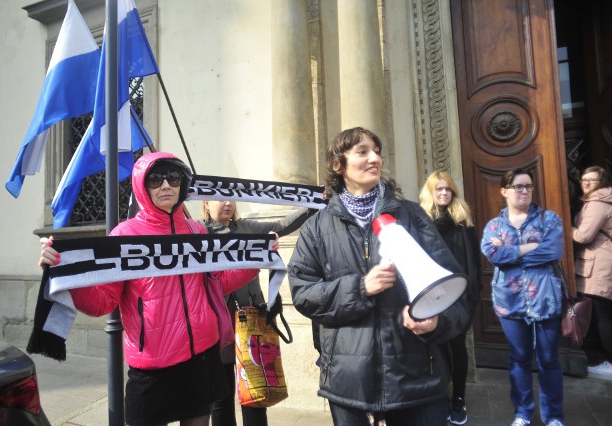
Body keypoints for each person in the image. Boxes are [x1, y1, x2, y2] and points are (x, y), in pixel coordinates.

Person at [38, 152, 260, 426]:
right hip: (152, 367)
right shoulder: (125, 234)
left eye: (173, 177)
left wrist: (258, 259)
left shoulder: (195, 232)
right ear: (142, 186)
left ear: (182, 185)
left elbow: (218, 284)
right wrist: (67, 273)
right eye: (155, 179)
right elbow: (103, 302)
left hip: (200, 358)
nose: (165, 185)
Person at [287, 127, 469, 426]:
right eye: (362, 152)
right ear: (338, 165)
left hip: (417, 380)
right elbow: (303, 294)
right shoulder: (317, 227)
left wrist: (438, 321)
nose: (375, 159)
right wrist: (360, 288)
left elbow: (453, 288)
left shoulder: (411, 216)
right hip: (349, 382)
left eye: (377, 152)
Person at [202, 200, 314, 426]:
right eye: (220, 199)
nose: (227, 204)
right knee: (220, 398)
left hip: (252, 320)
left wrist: (312, 203)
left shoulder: (247, 228)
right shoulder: (197, 231)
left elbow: (282, 224)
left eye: (231, 199)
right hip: (217, 324)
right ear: (206, 202)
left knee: (256, 392)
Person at [480, 168, 565, 426]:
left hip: (545, 299)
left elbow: (553, 251)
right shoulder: (494, 225)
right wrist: (527, 247)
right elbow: (492, 255)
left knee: (549, 359)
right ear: (504, 191)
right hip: (509, 300)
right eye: (518, 186)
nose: (525, 191)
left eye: (528, 186)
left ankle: (554, 417)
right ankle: (523, 413)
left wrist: (510, 252)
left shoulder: (549, 219)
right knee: (519, 358)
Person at [419, 171, 481, 425]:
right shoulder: (422, 222)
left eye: (448, 189)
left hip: (459, 296)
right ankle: (439, 396)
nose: (444, 193)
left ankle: (458, 398)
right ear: (430, 193)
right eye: (439, 189)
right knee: (437, 347)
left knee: (457, 347)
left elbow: (473, 264)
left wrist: (472, 296)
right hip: (432, 294)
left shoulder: (462, 222)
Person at [571, 165, 612, 380]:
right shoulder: (600, 200)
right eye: (584, 179)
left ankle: (608, 361)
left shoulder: (598, 202)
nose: (586, 183)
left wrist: (563, 228)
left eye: (592, 180)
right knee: (601, 313)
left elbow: (584, 236)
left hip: (599, 265)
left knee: (601, 315)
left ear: (602, 182)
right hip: (602, 262)